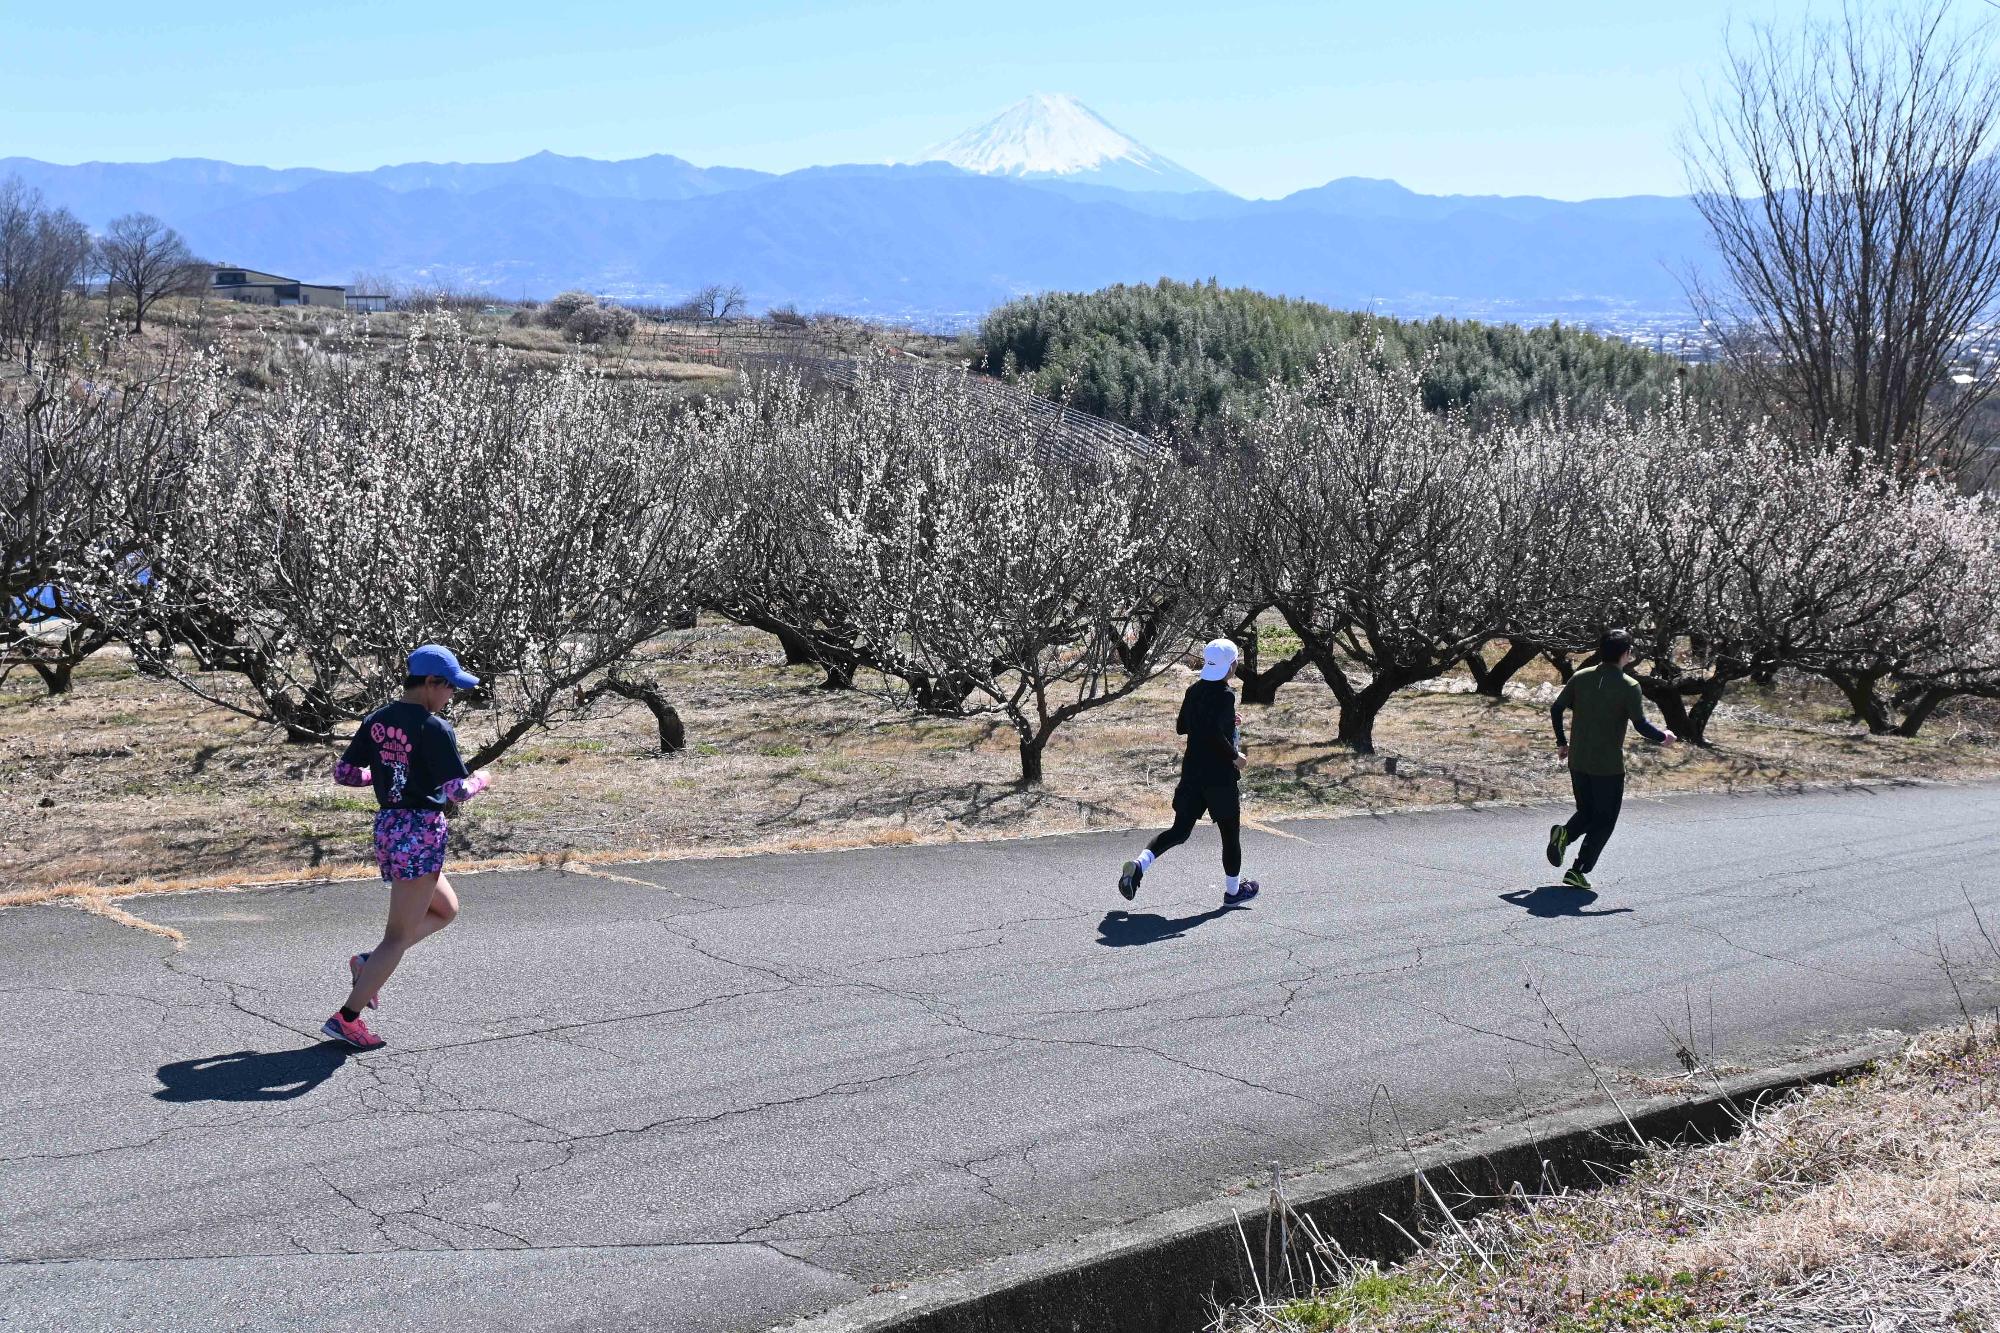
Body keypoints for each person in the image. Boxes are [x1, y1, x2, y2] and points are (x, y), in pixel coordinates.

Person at [324, 644, 493, 1049]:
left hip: (390, 827)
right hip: (420, 831)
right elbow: (457, 791)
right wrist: (485, 779)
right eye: (450, 687)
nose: (451, 695)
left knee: (446, 909)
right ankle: (347, 1018)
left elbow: (345, 773)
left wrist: (383, 780)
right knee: (397, 937)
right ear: (432, 683)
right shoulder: (435, 728)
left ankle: (367, 965)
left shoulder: (377, 720)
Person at [1119, 638, 1260, 905]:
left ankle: (1139, 866)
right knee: (1230, 835)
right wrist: (1235, 756)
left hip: (1193, 773)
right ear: (1231, 666)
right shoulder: (1226, 694)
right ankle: (1233, 892)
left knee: (1179, 831)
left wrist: (1228, 719)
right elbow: (1214, 733)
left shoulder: (1193, 690)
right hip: (1219, 777)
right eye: (1236, 662)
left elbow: (1183, 726)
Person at [1545, 628, 1676, 889]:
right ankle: (1578, 870)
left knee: (1587, 811)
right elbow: (1640, 725)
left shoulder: (1581, 677)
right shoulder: (1630, 686)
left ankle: (1564, 835)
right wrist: (1664, 736)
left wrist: (1562, 742)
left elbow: (1556, 708)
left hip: (1578, 760)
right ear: (1626, 654)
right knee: (1604, 820)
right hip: (1607, 766)